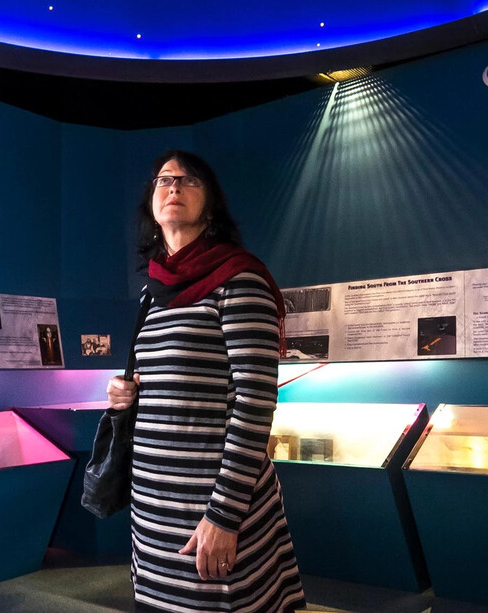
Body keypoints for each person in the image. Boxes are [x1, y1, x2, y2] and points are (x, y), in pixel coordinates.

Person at [106, 150, 306, 612]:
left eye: (188, 180)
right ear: (151, 205)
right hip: (154, 506)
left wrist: (224, 515)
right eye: (163, 180)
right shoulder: (151, 291)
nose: (173, 187)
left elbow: (255, 401)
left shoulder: (239, 280)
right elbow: (157, 381)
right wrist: (123, 394)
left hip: (212, 503)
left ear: (211, 206)